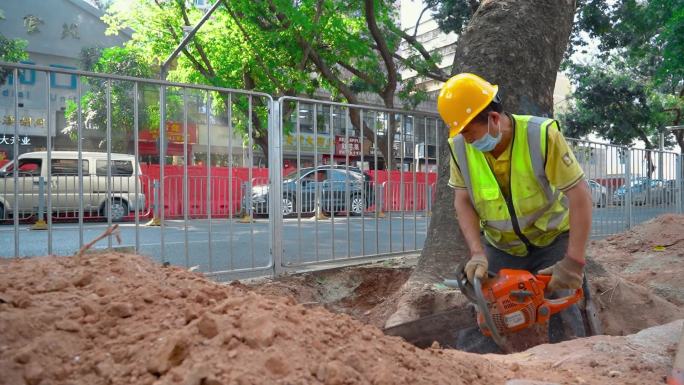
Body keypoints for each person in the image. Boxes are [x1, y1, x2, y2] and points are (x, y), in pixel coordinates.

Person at [437, 73, 593, 342]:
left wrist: (573, 262)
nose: (468, 141)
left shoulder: (541, 136)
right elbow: (462, 200)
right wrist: (477, 253)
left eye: (471, 133)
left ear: (494, 119)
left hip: (551, 240)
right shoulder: (460, 148)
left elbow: (579, 196)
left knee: (564, 316)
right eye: (462, 133)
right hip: (501, 246)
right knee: (485, 315)